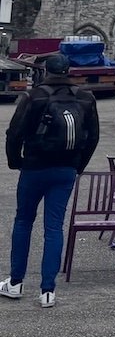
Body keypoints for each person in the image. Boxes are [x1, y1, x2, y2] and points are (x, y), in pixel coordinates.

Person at [2, 54, 101, 308]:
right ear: (69, 71)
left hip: (35, 167)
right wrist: (78, 166)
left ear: (46, 71)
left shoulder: (33, 96)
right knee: (54, 227)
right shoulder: (85, 98)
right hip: (65, 169)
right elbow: (93, 137)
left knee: (24, 221)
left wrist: (16, 161)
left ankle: (16, 282)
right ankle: (48, 291)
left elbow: (15, 133)